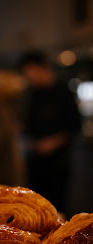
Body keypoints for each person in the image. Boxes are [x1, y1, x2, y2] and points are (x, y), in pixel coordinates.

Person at [19, 51, 81, 213]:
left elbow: (75, 125)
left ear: (43, 68)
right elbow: (27, 123)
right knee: (35, 205)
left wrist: (53, 142)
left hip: (58, 161)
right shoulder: (32, 93)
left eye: (32, 71)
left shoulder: (63, 92)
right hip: (35, 159)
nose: (30, 76)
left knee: (57, 206)